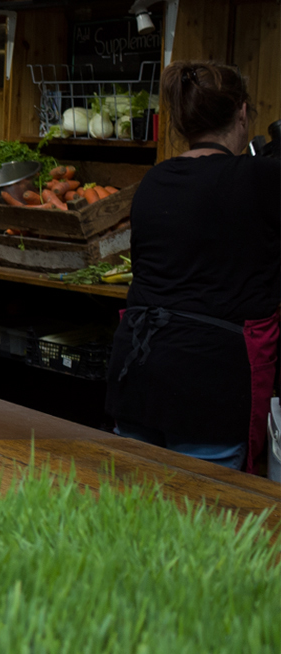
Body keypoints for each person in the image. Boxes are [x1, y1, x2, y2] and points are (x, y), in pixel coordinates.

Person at [106, 61, 280, 474]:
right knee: (207, 518)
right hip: (210, 382)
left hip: (139, 370)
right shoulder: (256, 178)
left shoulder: (155, 180)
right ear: (241, 113)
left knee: (132, 506)